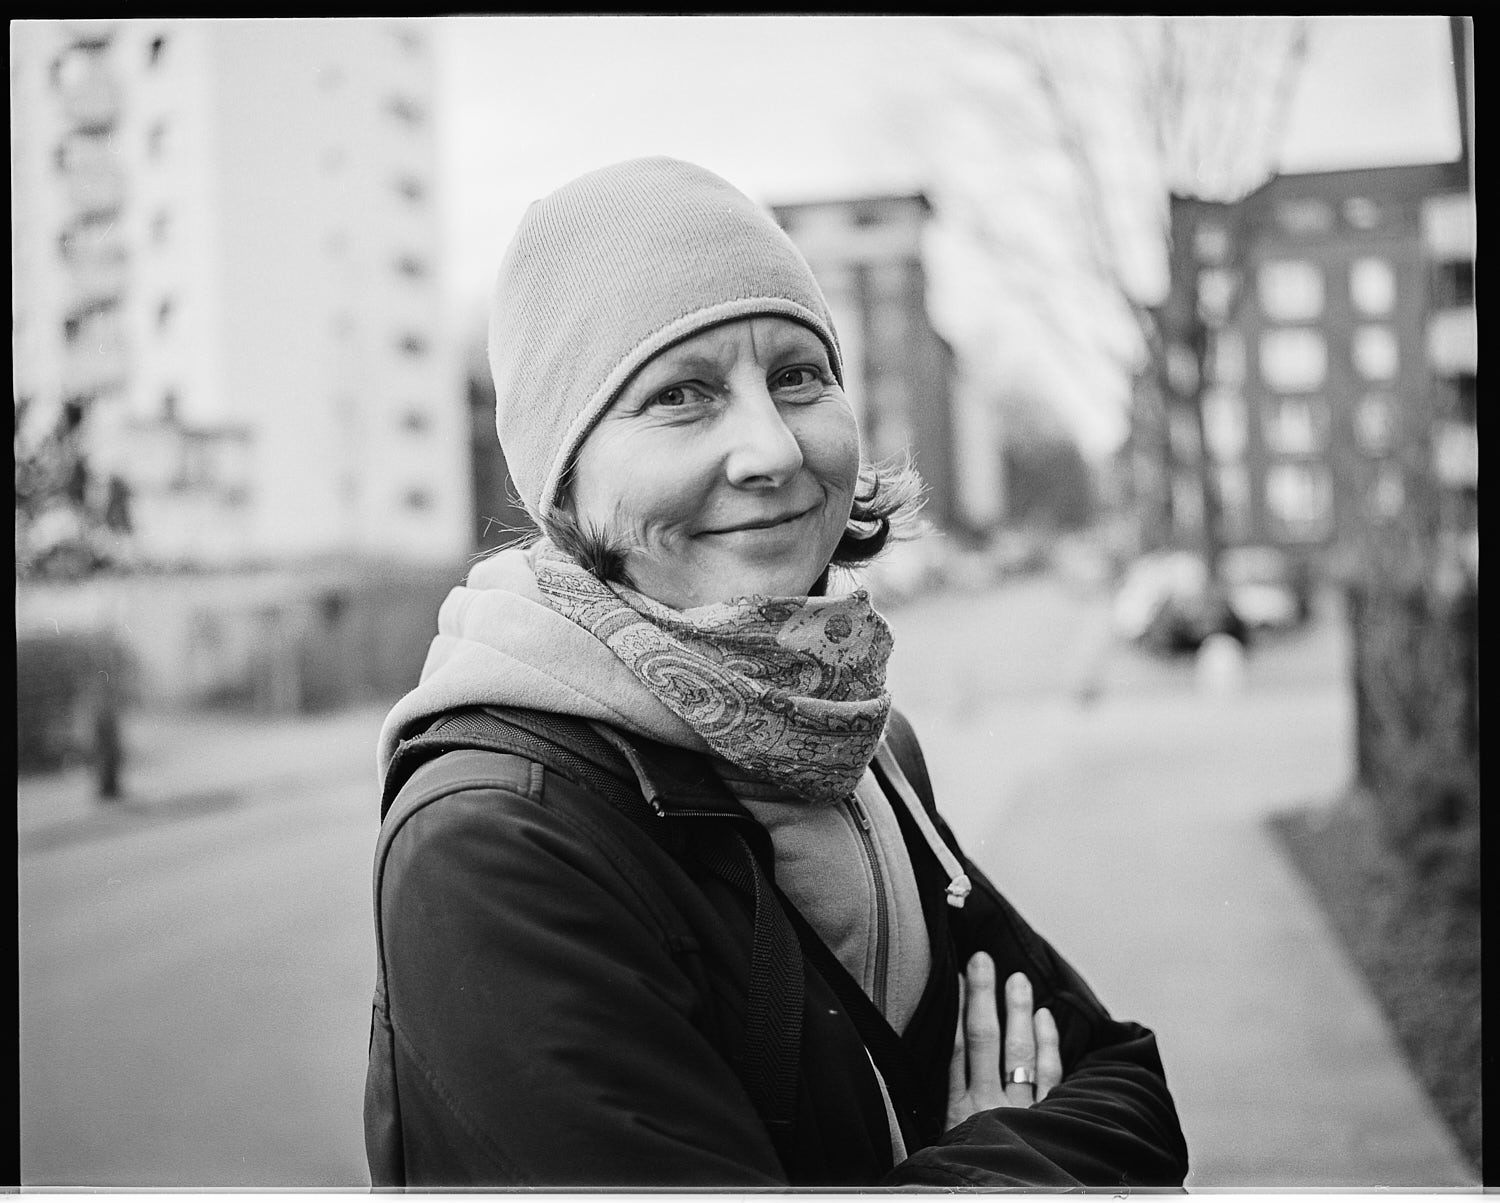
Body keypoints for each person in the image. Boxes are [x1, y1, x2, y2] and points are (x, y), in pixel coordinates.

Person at [364, 156, 1189, 1189]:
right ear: (562, 479)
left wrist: (989, 1154)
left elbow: (1129, 1086)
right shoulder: (497, 840)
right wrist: (1008, 1153)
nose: (773, 449)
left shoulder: (857, 740)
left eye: (798, 376)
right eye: (680, 394)